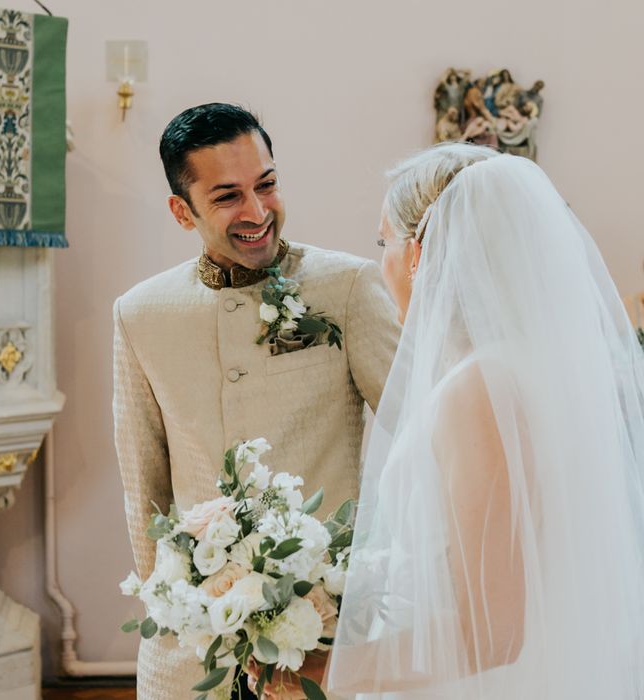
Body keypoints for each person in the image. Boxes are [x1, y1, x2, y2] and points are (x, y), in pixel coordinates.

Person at [324, 143, 644, 699]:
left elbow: (493, 635)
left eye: (385, 243)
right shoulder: (523, 370)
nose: (383, 262)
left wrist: (326, 671)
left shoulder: (478, 391)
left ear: (419, 253)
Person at [112, 103, 400, 700]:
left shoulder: (345, 287)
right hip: (194, 649)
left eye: (265, 184)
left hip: (328, 634)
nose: (257, 211)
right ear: (180, 210)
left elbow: (420, 429)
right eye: (227, 197)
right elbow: (144, 485)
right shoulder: (140, 313)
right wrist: (166, 623)